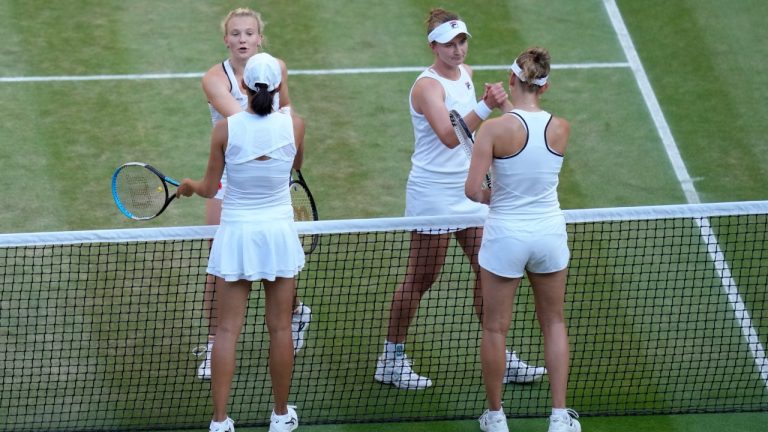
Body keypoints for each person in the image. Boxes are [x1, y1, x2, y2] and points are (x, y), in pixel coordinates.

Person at [374, 8, 546, 391]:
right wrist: (485, 106)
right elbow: (448, 136)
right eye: (449, 44)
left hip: (469, 193)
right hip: (433, 195)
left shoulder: (466, 77)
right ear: (433, 45)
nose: (457, 50)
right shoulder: (427, 87)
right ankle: (391, 358)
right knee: (421, 279)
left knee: (490, 271)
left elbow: (469, 139)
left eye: (462, 41)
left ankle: (499, 354)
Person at [177, 53, 303, 432]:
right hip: (278, 234)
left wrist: (187, 187)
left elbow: (210, 187)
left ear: (244, 86)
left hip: (237, 235)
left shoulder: (225, 130)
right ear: (278, 86)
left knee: (227, 331)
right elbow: (294, 166)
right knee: (280, 328)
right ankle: (280, 416)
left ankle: (220, 422)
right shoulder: (295, 126)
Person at [466, 47, 580, 432]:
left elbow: (472, 190)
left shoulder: (493, 129)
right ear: (544, 86)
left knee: (496, 328)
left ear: (512, 79)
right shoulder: (561, 127)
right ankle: (560, 416)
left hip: (507, 236)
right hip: (549, 234)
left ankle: (496, 417)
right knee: (554, 324)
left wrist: (488, 192)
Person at [197, 7, 311, 381]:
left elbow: (286, 106)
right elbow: (243, 124)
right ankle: (215, 342)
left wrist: (280, 165)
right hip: (232, 172)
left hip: (268, 174)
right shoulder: (214, 79)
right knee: (218, 261)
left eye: (249, 32)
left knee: (276, 263)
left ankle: (295, 312)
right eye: (235, 33)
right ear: (225, 39)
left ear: (260, 37)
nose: (242, 39)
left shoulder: (276, 66)